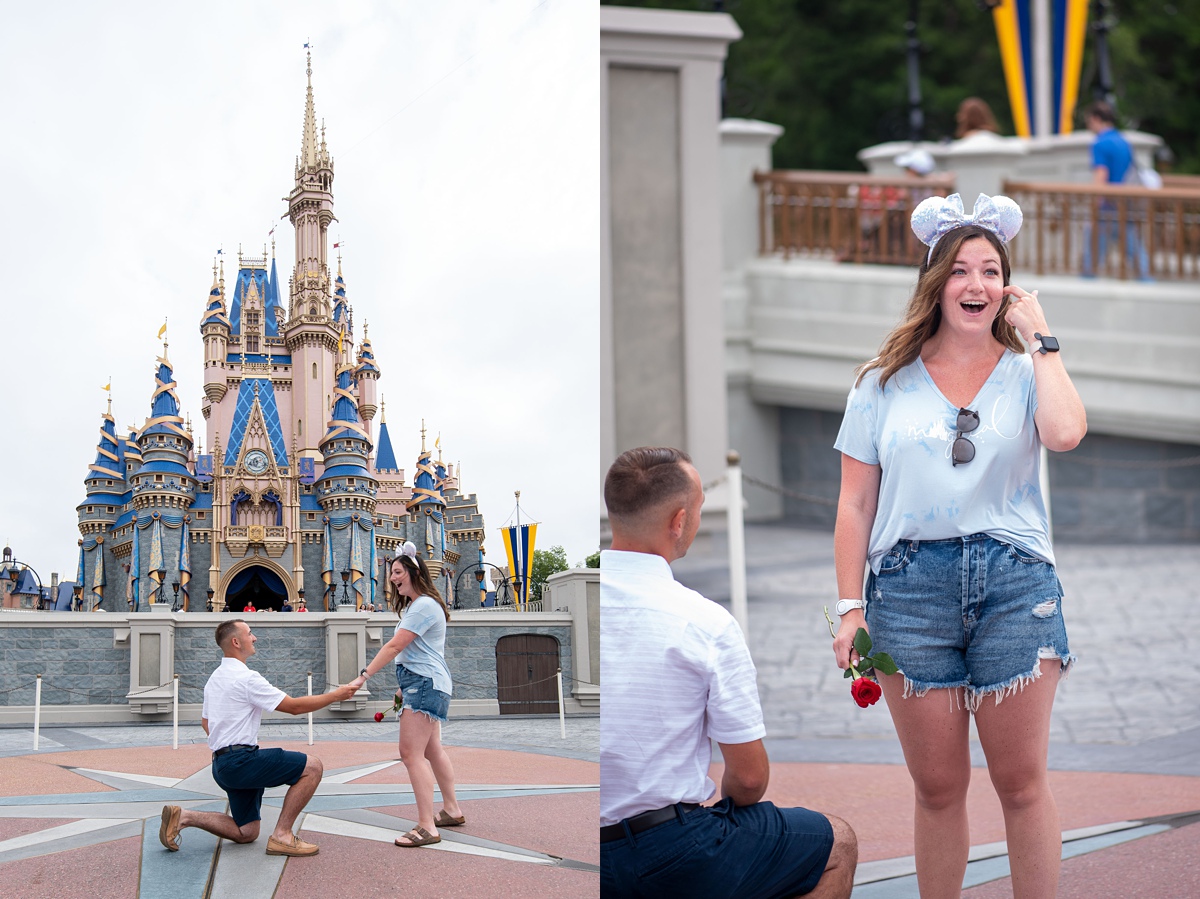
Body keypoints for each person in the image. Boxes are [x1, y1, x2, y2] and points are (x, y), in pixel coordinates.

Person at [832, 192, 1086, 898]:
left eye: (991, 271)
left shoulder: (1028, 367)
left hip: (1015, 584)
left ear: (1008, 287)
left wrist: (1042, 339)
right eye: (960, 271)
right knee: (939, 786)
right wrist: (850, 609)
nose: (976, 284)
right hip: (909, 589)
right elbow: (855, 504)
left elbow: (1064, 433)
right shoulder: (879, 383)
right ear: (935, 281)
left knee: (1021, 782)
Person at [601, 447, 857, 899]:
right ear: (679, 521)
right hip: (670, 849)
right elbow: (750, 780)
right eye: (698, 509)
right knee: (835, 841)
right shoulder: (704, 622)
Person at [158, 619, 358, 857]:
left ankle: (185, 816)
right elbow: (293, 707)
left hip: (221, 766)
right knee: (312, 767)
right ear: (236, 642)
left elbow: (206, 723)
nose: (254, 638)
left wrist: (227, 748)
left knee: (247, 832)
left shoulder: (215, 678)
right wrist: (335, 695)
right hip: (241, 762)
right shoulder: (247, 678)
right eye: (250, 633)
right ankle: (283, 836)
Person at [350, 542, 463, 848]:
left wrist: (363, 676)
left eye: (398, 572)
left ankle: (428, 827)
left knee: (410, 754)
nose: (393, 578)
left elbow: (395, 646)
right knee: (432, 749)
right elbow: (417, 652)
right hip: (425, 682)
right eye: (391, 574)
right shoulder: (422, 606)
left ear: (413, 572)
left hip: (424, 684)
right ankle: (451, 809)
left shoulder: (424, 605)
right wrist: (403, 686)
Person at [1081, 100, 1152, 280]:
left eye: (1089, 121)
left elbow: (1101, 175)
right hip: (1126, 201)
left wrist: (1094, 203)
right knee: (1132, 243)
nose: (1089, 126)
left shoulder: (1100, 143)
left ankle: (1088, 278)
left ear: (1097, 119)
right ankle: (1145, 277)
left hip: (1108, 203)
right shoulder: (1123, 141)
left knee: (1094, 246)